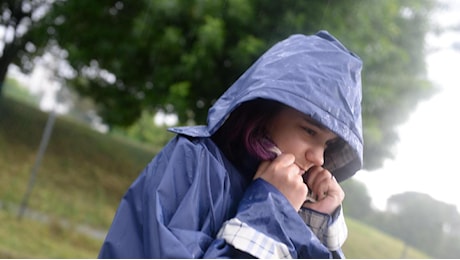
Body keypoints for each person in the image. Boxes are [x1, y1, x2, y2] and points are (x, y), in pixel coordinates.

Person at [98, 30, 363, 259]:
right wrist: (268, 215)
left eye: (328, 144)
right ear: (264, 110)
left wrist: (315, 224)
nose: (318, 158)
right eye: (309, 130)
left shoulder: (294, 197)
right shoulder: (195, 163)